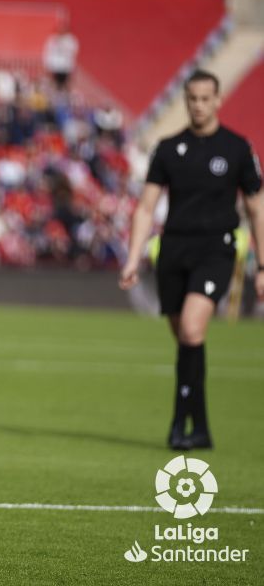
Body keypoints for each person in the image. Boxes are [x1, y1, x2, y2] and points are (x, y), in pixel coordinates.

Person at [119, 69, 263, 450]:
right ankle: (197, 426)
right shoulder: (168, 149)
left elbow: (257, 206)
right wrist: (133, 258)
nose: (198, 105)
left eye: (205, 98)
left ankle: (179, 422)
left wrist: (263, 266)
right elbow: (145, 208)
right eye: (192, 98)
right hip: (173, 252)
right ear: (185, 101)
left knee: (192, 331)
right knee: (185, 342)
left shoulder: (237, 149)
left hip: (216, 251)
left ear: (217, 100)